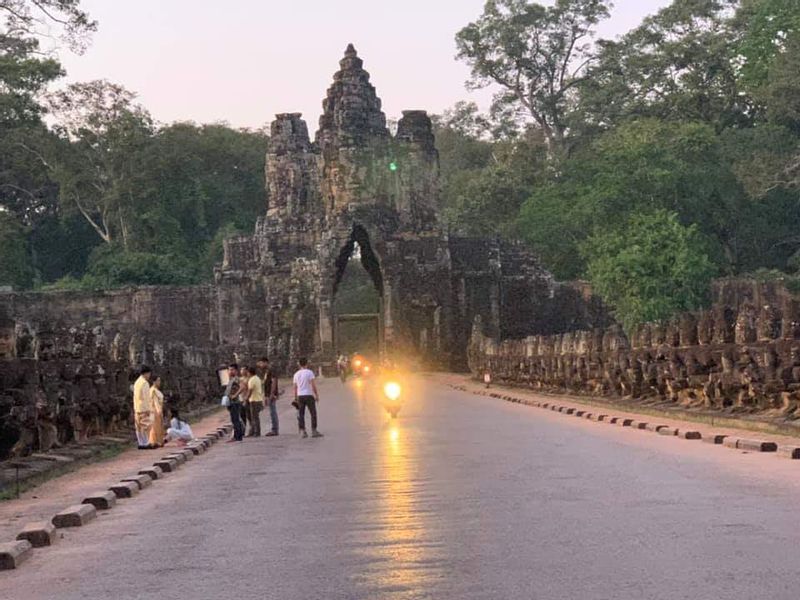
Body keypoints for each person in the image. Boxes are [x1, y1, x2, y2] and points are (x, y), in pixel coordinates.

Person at [292, 357, 323, 439]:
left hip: (300, 396)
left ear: (299, 364)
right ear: (307, 364)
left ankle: (303, 431)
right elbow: (313, 385)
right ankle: (314, 430)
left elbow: (295, 388)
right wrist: (316, 395)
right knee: (313, 413)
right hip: (309, 395)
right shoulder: (309, 372)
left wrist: (295, 398)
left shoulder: (296, 374)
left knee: (301, 414)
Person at [133, 365, 154, 450]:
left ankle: (140, 442)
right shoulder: (145, 383)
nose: (149, 376)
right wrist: (148, 409)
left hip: (137, 407)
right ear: (146, 373)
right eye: (149, 374)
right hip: (143, 407)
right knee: (145, 426)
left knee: (138, 426)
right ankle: (146, 442)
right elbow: (146, 397)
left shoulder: (137, 382)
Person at [257, 357, 279, 436]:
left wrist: (271, 394)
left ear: (265, 362)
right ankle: (274, 428)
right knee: (271, 411)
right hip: (268, 394)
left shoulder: (271, 370)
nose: (260, 365)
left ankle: (275, 429)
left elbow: (274, 382)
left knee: (273, 412)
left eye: (260, 363)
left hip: (271, 394)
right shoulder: (267, 371)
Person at [224, 363, 244, 442]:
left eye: (232, 370)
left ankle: (237, 436)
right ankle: (238, 436)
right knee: (234, 419)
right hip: (230, 402)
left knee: (235, 420)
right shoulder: (231, 379)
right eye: (229, 370)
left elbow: (242, 386)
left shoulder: (236, 379)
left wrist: (235, 395)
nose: (230, 371)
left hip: (235, 402)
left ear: (236, 371)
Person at [242, 365, 264, 437]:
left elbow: (250, 391)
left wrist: (246, 399)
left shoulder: (251, 380)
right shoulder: (257, 378)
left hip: (254, 400)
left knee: (254, 417)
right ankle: (254, 431)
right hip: (259, 399)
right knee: (255, 417)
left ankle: (257, 432)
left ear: (249, 372)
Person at [148, 375, 165, 448]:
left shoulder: (157, 391)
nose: (159, 382)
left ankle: (159, 441)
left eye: (159, 380)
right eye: (158, 380)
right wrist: (159, 411)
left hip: (158, 409)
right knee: (155, 427)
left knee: (159, 427)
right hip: (154, 410)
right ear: (154, 382)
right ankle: (154, 442)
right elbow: (155, 402)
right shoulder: (153, 391)